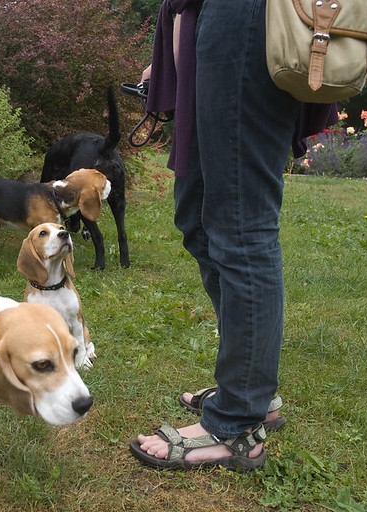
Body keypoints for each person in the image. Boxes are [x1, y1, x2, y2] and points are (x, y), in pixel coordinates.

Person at [129, 0, 327, 471]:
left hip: (247, 19)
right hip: (208, 25)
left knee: (241, 223)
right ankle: (251, 385)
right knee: (197, 217)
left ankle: (237, 422)